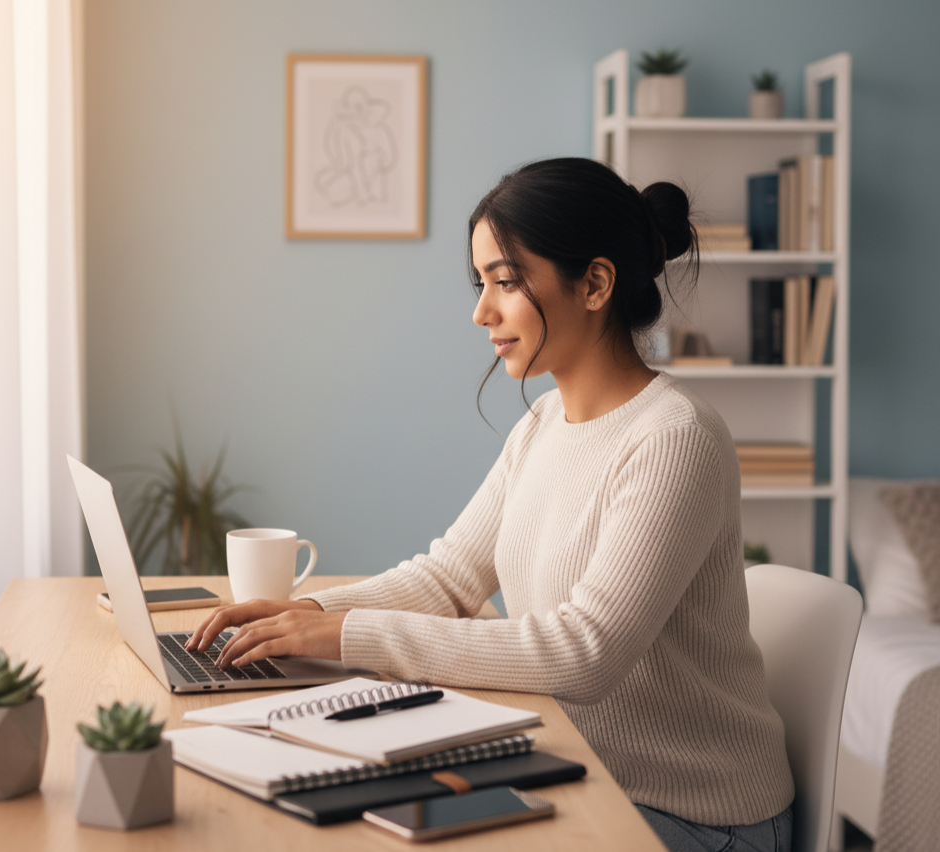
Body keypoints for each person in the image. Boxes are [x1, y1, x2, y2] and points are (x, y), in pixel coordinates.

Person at [187, 157, 795, 852]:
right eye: (482, 284)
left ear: (595, 283)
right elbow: (448, 579)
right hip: (580, 774)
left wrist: (349, 635)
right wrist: (313, 614)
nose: (482, 312)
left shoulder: (675, 439)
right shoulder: (540, 426)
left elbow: (583, 652)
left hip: (697, 817)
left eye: (505, 282)